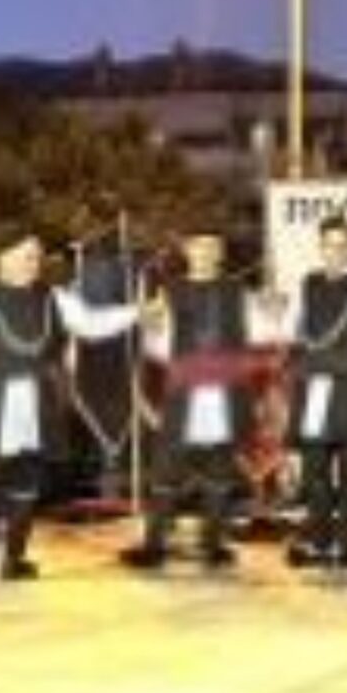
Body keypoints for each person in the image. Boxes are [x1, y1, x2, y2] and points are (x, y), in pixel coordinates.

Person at [0, 230, 138, 582]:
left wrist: (137, 312)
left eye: (36, 256)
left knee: (26, 481)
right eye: (25, 254)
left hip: (38, 401)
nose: (33, 262)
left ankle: (14, 560)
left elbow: (92, 323)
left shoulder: (56, 298)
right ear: (1, 257)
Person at [125, 223, 270, 571]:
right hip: (184, 392)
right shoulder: (170, 290)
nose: (204, 253)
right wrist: (148, 318)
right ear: (187, 251)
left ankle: (214, 545)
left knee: (220, 472)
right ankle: (153, 545)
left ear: (220, 254)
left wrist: (273, 310)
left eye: (212, 248)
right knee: (165, 472)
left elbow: (260, 334)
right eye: (198, 246)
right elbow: (153, 337)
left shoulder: (238, 291)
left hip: (226, 391)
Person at [285, 215, 347, 570]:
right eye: (329, 245)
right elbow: (297, 332)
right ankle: (319, 543)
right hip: (316, 387)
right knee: (315, 473)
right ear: (321, 248)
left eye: (342, 246)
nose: (336, 252)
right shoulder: (308, 284)